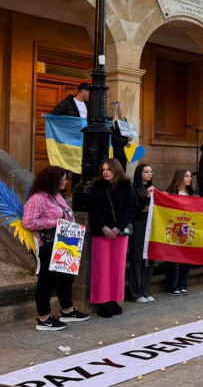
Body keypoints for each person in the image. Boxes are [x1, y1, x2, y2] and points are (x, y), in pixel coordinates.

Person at [22, 166, 90, 330]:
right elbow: (28, 222)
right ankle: (44, 318)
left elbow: (67, 215)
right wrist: (56, 223)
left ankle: (67, 310)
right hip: (47, 245)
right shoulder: (37, 199)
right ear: (52, 179)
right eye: (63, 178)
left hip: (66, 242)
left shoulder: (57, 196)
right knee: (47, 280)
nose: (66, 181)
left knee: (66, 278)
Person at [87, 158, 136, 318]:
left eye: (108, 169)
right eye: (103, 169)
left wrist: (118, 227)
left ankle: (114, 298)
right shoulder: (97, 187)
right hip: (101, 230)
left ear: (116, 170)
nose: (105, 172)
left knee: (118, 266)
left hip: (119, 231)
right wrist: (104, 226)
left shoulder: (126, 186)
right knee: (101, 267)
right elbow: (92, 208)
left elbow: (131, 207)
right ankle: (102, 301)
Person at [50, 83, 90, 187]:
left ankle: (75, 193)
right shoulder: (67, 102)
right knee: (65, 167)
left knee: (79, 168)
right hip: (68, 142)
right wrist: (48, 117)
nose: (91, 95)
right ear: (83, 91)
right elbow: (55, 114)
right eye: (90, 92)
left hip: (82, 142)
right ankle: (60, 192)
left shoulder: (88, 105)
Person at [128, 163, 156, 304]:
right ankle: (135, 292)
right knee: (137, 258)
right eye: (146, 171)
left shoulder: (152, 189)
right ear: (139, 173)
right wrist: (147, 197)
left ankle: (145, 289)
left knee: (149, 258)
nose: (149, 174)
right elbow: (136, 209)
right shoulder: (134, 189)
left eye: (151, 171)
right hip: (139, 224)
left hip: (151, 225)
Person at [163, 169, 194, 296]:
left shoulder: (191, 193)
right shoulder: (171, 192)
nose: (189, 178)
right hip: (174, 226)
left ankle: (183, 284)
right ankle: (172, 286)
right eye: (187, 176)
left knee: (186, 257)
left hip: (187, 227)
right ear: (180, 177)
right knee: (173, 258)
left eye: (190, 176)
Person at [109, 101, 132, 171]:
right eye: (121, 107)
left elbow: (125, 133)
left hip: (122, 150)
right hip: (113, 149)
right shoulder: (109, 121)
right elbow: (111, 135)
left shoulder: (124, 120)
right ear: (116, 109)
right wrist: (125, 142)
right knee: (114, 171)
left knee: (122, 171)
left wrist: (129, 137)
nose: (123, 109)